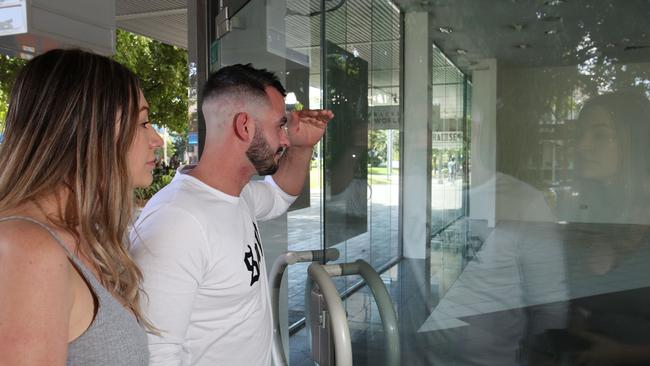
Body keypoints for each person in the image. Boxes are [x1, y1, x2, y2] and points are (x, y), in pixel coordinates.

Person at [130, 64, 333, 366]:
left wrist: (302, 148)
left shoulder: (238, 196)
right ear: (245, 127)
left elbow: (280, 194)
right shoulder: (176, 223)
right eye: (280, 126)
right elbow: (155, 356)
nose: (285, 139)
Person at [0, 49, 163, 365]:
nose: (156, 139)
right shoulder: (25, 249)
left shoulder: (80, 236)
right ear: (90, 131)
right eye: (143, 122)